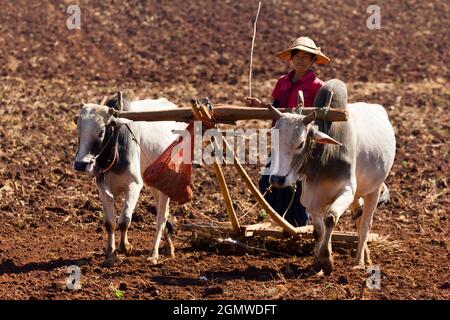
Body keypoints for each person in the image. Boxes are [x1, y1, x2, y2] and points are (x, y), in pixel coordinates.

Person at [243, 36, 330, 227]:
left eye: (306, 57)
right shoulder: (282, 82)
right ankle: (278, 222)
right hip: (281, 141)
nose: (301, 60)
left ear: (313, 60)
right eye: (297, 56)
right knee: (268, 182)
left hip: (301, 145)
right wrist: (258, 106)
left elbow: (322, 119)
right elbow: (275, 107)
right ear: (291, 58)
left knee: (297, 185)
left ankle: (299, 224)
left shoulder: (319, 87)